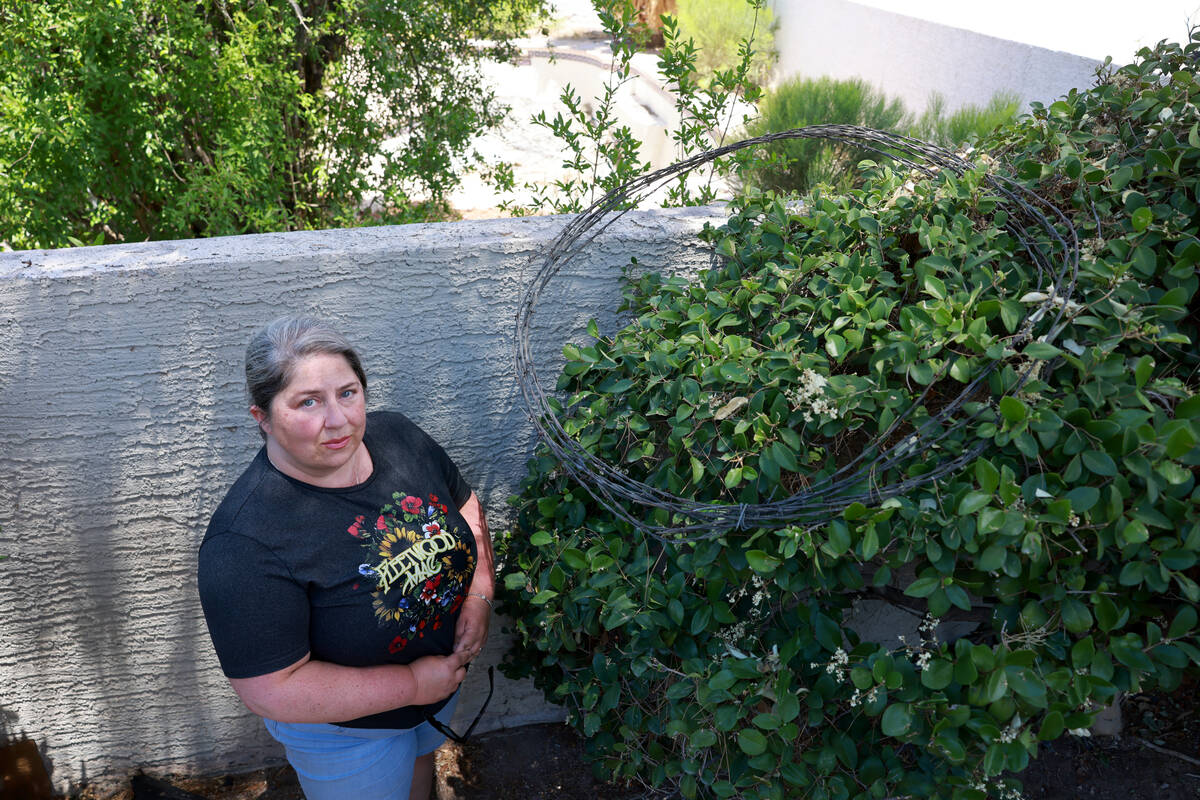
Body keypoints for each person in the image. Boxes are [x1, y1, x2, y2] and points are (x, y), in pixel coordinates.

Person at [197, 315, 494, 800]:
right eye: (308, 402)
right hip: (346, 734)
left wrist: (479, 594)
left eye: (348, 393)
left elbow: (463, 502)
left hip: (437, 688)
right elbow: (270, 689)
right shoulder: (244, 542)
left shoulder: (397, 436)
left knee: (420, 780)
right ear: (262, 418)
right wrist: (415, 684)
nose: (338, 420)